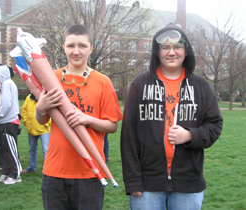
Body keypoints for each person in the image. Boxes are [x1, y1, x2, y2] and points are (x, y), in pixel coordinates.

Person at [120, 23, 223, 210]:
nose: (171, 52)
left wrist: (190, 135)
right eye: (165, 47)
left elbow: (215, 125)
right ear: (157, 52)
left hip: (188, 183)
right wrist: (133, 179)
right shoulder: (139, 85)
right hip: (147, 183)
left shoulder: (201, 86)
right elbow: (128, 136)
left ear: (186, 51)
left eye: (177, 47)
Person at [35, 24, 122, 210]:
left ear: (90, 48)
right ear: (64, 47)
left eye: (82, 46)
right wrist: (40, 108)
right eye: (71, 46)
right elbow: (42, 120)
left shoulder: (103, 82)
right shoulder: (51, 78)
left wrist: (87, 119)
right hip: (54, 172)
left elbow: (112, 126)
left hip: (90, 173)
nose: (76, 51)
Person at [0, 65, 22, 185]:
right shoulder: (7, 84)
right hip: (5, 122)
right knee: (5, 149)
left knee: (11, 150)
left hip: (8, 122)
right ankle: (5, 173)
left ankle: (15, 175)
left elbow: (6, 103)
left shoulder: (7, 84)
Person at [21, 93, 51, 173]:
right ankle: (31, 168)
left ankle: (48, 169)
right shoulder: (28, 98)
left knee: (46, 150)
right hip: (31, 129)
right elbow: (24, 110)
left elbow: (51, 111)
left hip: (44, 129)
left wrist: (47, 123)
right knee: (32, 150)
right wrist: (26, 122)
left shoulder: (45, 97)